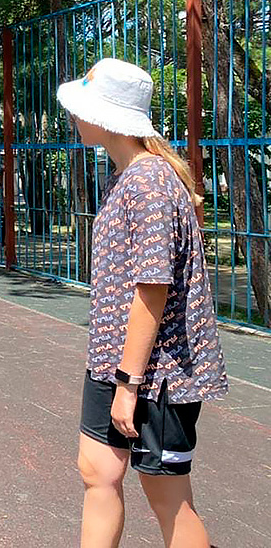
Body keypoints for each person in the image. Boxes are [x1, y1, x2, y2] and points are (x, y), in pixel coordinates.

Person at [57, 58, 227, 548]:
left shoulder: (149, 181)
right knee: (97, 471)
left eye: (82, 108)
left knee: (167, 497)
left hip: (157, 374)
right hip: (113, 362)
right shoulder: (124, 176)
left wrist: (128, 385)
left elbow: (152, 290)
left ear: (107, 116)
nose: (74, 117)